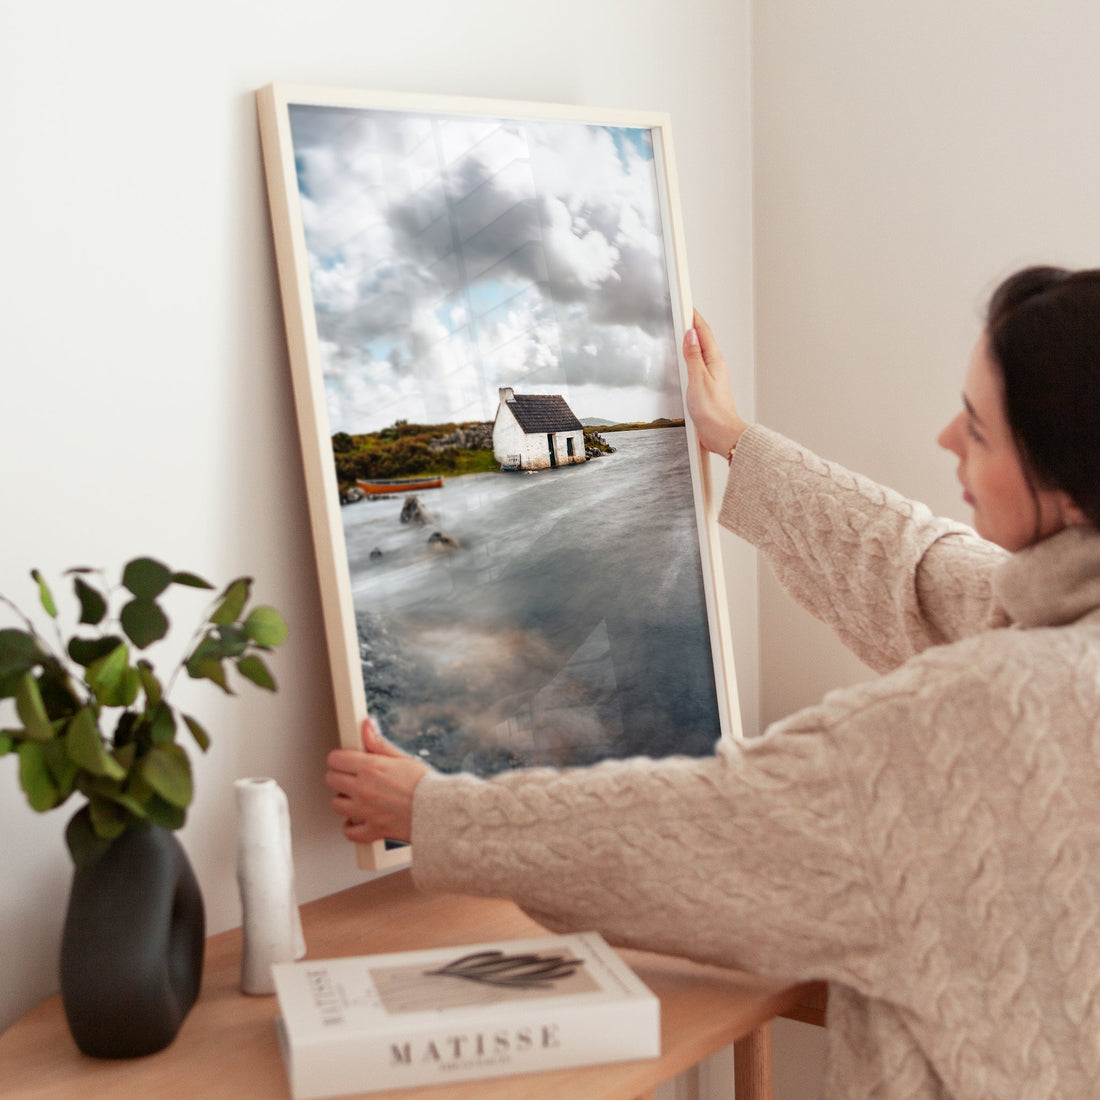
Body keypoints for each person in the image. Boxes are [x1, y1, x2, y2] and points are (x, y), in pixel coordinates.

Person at [325, 266, 1100, 1099]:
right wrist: (734, 439)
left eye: (979, 431)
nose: (947, 437)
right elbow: (916, 568)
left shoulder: (979, 715)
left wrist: (435, 813)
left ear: (1065, 486)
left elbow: (704, 829)